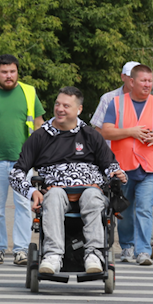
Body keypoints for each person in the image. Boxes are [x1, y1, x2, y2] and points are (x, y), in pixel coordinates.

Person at [10, 87, 126, 274]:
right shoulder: (40, 137)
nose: (60, 109)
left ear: (79, 109)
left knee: (91, 195)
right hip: (55, 192)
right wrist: (33, 192)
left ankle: (94, 255)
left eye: (66, 105)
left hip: (90, 190)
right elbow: (15, 174)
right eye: (57, 104)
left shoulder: (90, 135)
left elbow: (110, 165)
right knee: (54, 195)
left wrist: (118, 174)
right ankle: (53, 255)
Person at [91, 60, 153, 260]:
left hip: (148, 166)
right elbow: (101, 131)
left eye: (150, 80)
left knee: (144, 207)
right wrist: (130, 133)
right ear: (129, 80)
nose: (147, 84)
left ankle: (144, 250)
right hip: (120, 164)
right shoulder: (112, 100)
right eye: (143, 80)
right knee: (123, 207)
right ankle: (127, 245)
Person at [0, 54, 44, 267]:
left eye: (12, 71)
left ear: (17, 71)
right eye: (4, 72)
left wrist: (40, 158)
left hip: (23, 162)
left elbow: (39, 126)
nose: (9, 76)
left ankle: (20, 250)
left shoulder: (29, 92)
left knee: (22, 205)